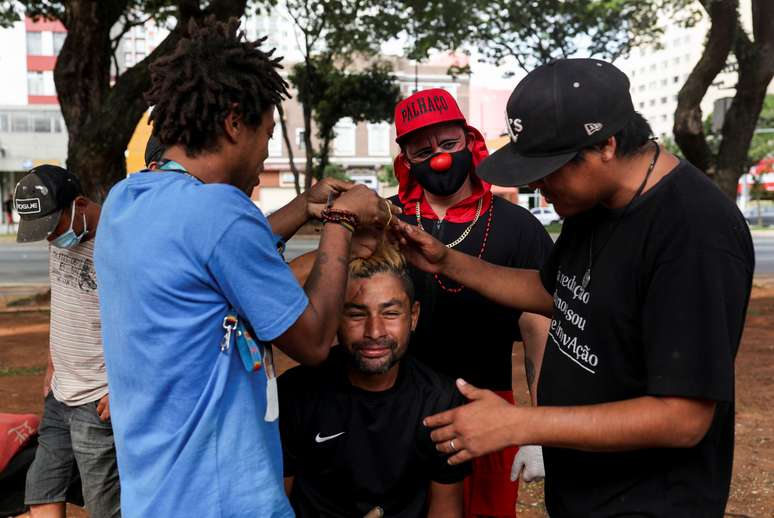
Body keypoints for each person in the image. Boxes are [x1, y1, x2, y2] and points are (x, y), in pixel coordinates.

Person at [393, 58, 755, 517]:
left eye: (549, 168)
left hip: (647, 504)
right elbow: (553, 292)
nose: (538, 185)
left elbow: (682, 418)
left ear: (605, 145)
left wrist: (521, 424)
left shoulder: (694, 233)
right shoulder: (593, 203)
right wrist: (446, 261)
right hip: (584, 494)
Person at [94, 17, 395, 518]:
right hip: (222, 500)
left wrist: (301, 208)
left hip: (156, 496)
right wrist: (341, 223)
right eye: (267, 134)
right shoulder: (220, 211)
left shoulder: (126, 201)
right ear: (235, 122)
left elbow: (209, 253)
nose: (266, 152)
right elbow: (314, 341)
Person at [389, 88, 552, 517]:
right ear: (406, 159)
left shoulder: (519, 226)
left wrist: (538, 425)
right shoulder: (386, 223)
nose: (440, 158)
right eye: (423, 151)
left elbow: (539, 327)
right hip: (398, 406)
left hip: (489, 404)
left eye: (449, 144)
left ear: (470, 141)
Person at [279, 244, 470, 517]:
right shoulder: (295, 392)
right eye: (357, 314)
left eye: (390, 313)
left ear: (413, 317)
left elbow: (446, 508)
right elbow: (273, 503)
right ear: (336, 317)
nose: (375, 331)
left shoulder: (441, 400)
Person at [13, 165, 120, 518]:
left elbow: (141, 322)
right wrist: (52, 360)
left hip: (98, 397)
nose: (49, 239)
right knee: (42, 487)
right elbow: (64, 302)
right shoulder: (60, 238)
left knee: (104, 505)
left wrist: (121, 387)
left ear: (80, 205)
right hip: (60, 391)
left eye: (53, 228)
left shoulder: (118, 246)